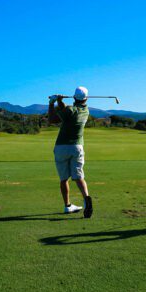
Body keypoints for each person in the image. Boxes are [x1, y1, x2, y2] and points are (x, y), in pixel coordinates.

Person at [48, 86, 93, 218]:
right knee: (79, 177)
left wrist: (52, 103)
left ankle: (67, 206)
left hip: (61, 147)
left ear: (74, 97)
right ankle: (86, 199)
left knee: (63, 179)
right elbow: (67, 110)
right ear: (86, 98)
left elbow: (52, 120)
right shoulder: (86, 111)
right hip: (77, 147)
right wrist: (60, 102)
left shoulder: (69, 110)